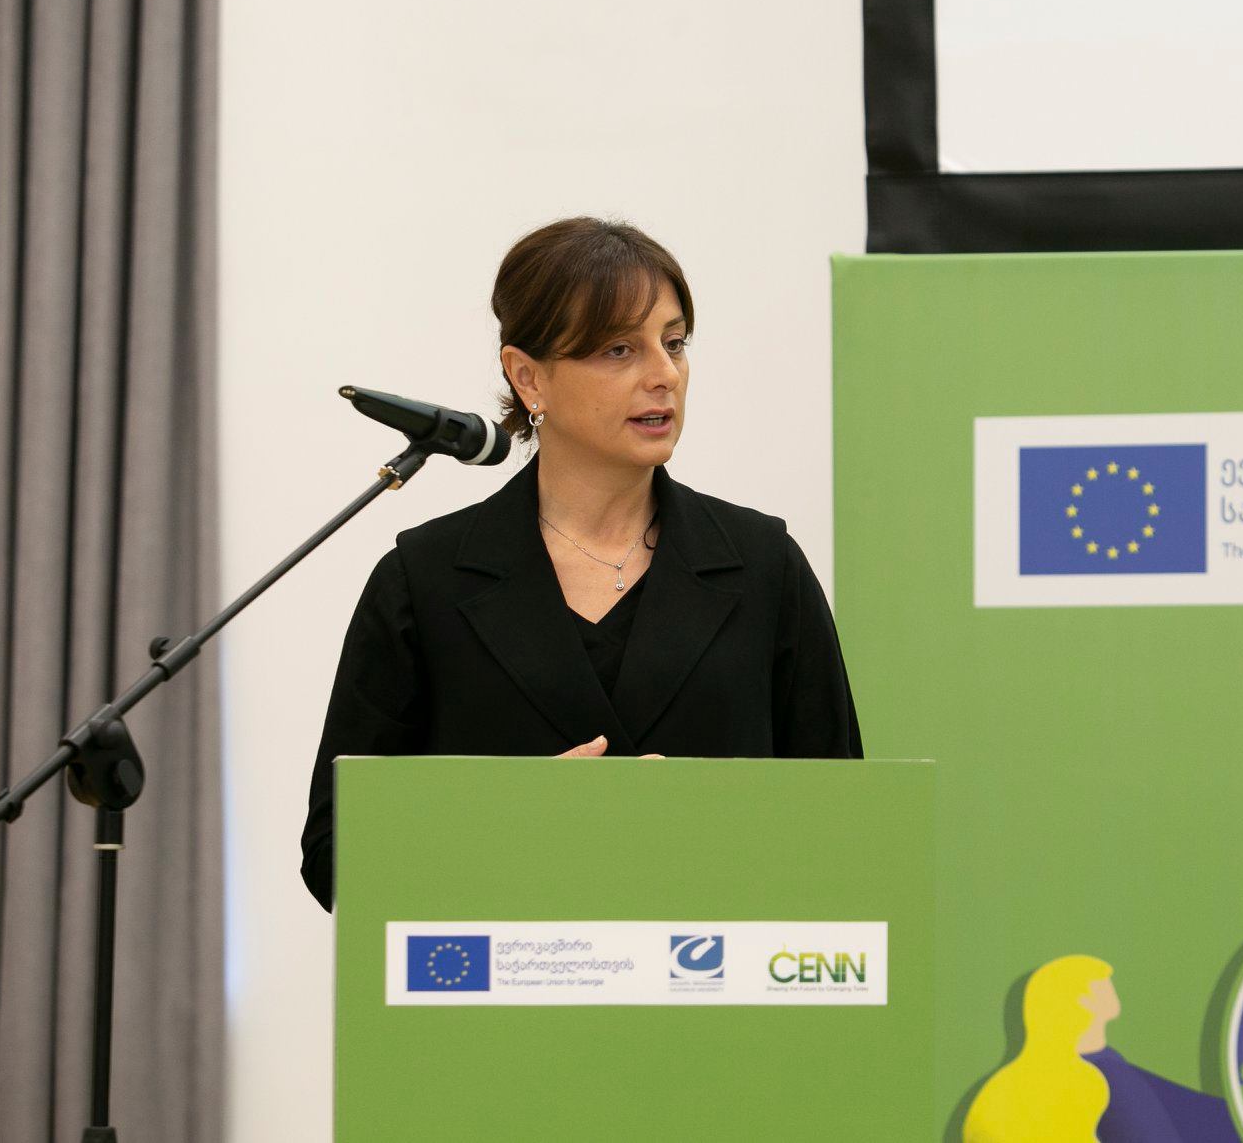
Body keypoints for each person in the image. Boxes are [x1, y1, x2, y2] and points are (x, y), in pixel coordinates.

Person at [299, 217, 862, 910]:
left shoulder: (762, 567)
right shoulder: (426, 581)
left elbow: (848, 827)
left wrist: (711, 824)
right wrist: (521, 823)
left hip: (715, 969)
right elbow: (336, 856)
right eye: (619, 349)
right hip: (508, 976)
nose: (664, 375)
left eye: (674, 343)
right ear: (527, 376)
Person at [964, 955, 1240, 1143]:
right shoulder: (1097, 1078)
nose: (1110, 986)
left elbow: (1178, 1105)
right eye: (1101, 985)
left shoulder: (1103, 1064)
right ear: (1081, 1002)